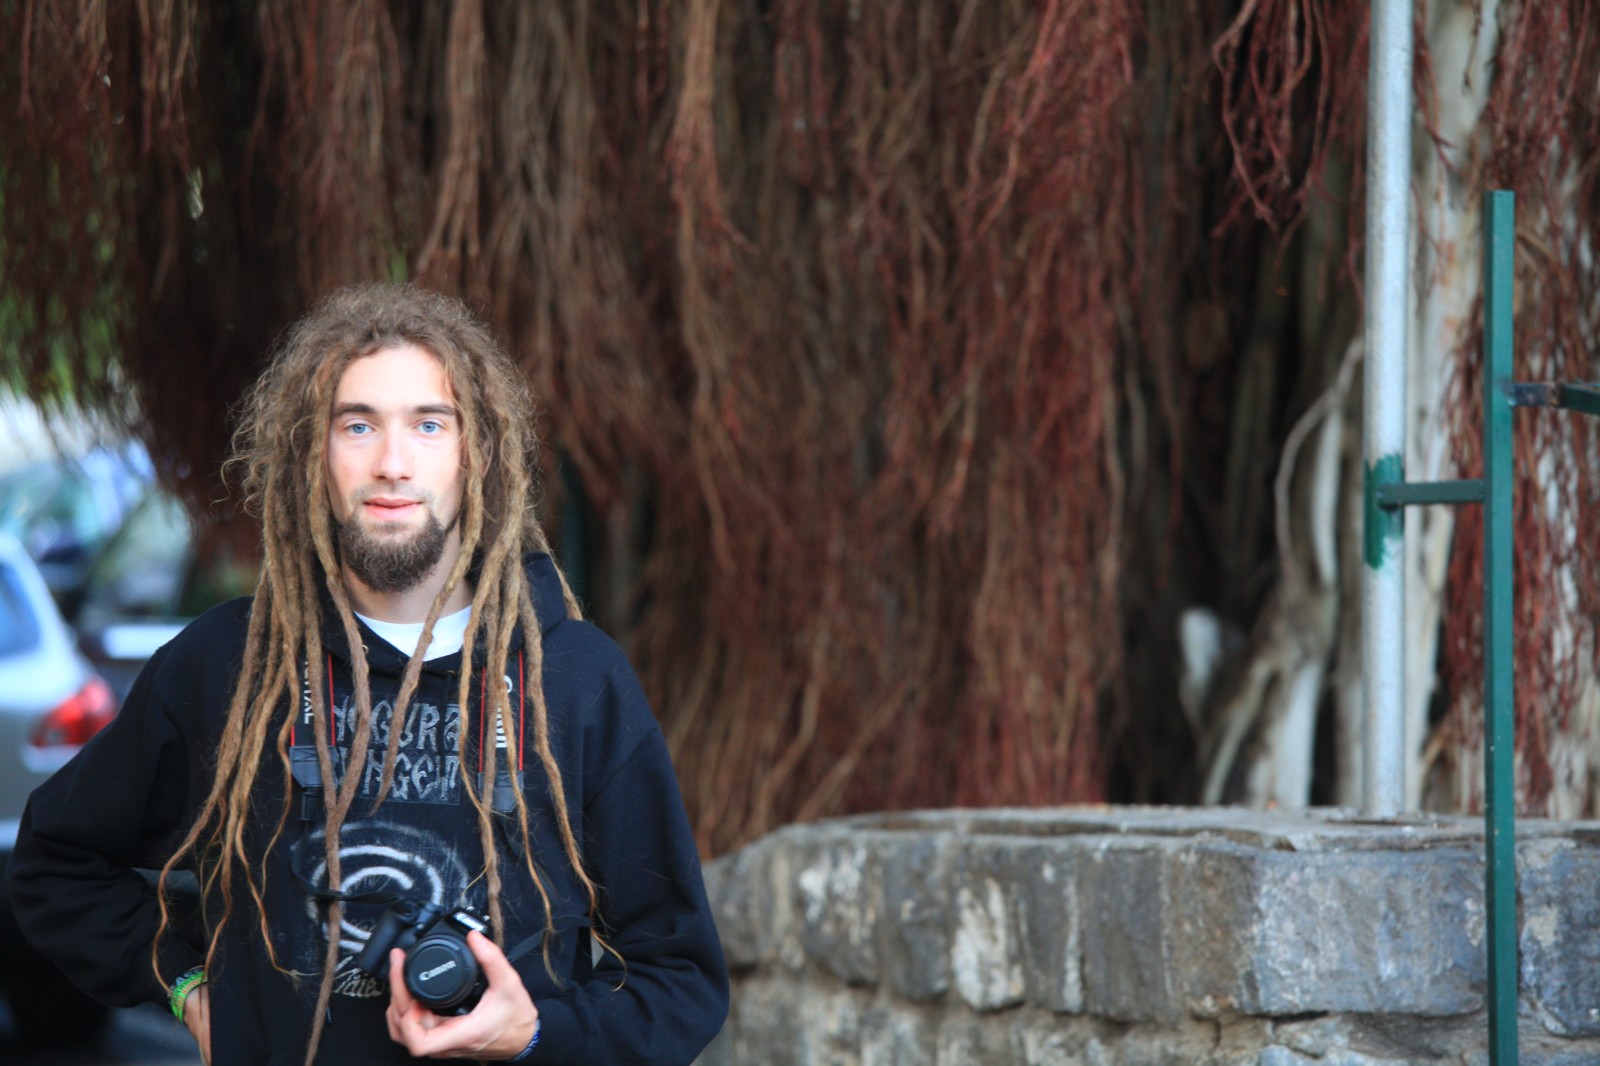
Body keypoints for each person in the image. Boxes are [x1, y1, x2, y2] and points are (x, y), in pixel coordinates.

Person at [8, 284, 729, 1065]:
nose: (392, 463)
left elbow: (679, 980)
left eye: (429, 424)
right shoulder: (225, 664)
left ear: (476, 454)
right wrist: (194, 992)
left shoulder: (578, 681)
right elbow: (57, 866)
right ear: (314, 456)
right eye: (357, 425)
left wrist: (537, 1037)